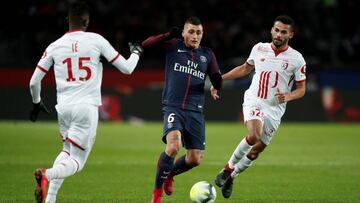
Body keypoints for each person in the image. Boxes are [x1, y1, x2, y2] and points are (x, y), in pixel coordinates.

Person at [29, 1, 143, 203]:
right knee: (77, 162)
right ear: (86, 21)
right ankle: (47, 175)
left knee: (66, 151)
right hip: (86, 107)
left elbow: (33, 81)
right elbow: (127, 69)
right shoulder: (96, 40)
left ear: (67, 20)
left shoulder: (54, 46)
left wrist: (37, 103)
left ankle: (50, 199)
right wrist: (136, 53)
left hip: (63, 108)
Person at [211, 15, 306, 198]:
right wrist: (219, 80)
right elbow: (245, 68)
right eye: (276, 30)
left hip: (275, 109)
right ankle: (227, 168)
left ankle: (232, 177)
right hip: (254, 100)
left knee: (255, 152)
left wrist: (288, 96)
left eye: (283, 32)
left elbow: (301, 90)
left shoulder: (297, 59)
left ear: (291, 35)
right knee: (253, 135)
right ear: (271, 30)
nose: (278, 34)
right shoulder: (259, 48)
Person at [141, 16, 223, 203]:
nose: (195, 36)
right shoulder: (173, 46)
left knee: (195, 159)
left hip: (195, 110)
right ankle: (156, 195)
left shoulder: (207, 54)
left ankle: (169, 174)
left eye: (199, 32)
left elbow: (216, 76)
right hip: (174, 107)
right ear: (184, 33)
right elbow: (146, 44)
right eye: (191, 32)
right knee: (173, 147)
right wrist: (168, 34)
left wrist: (217, 83)